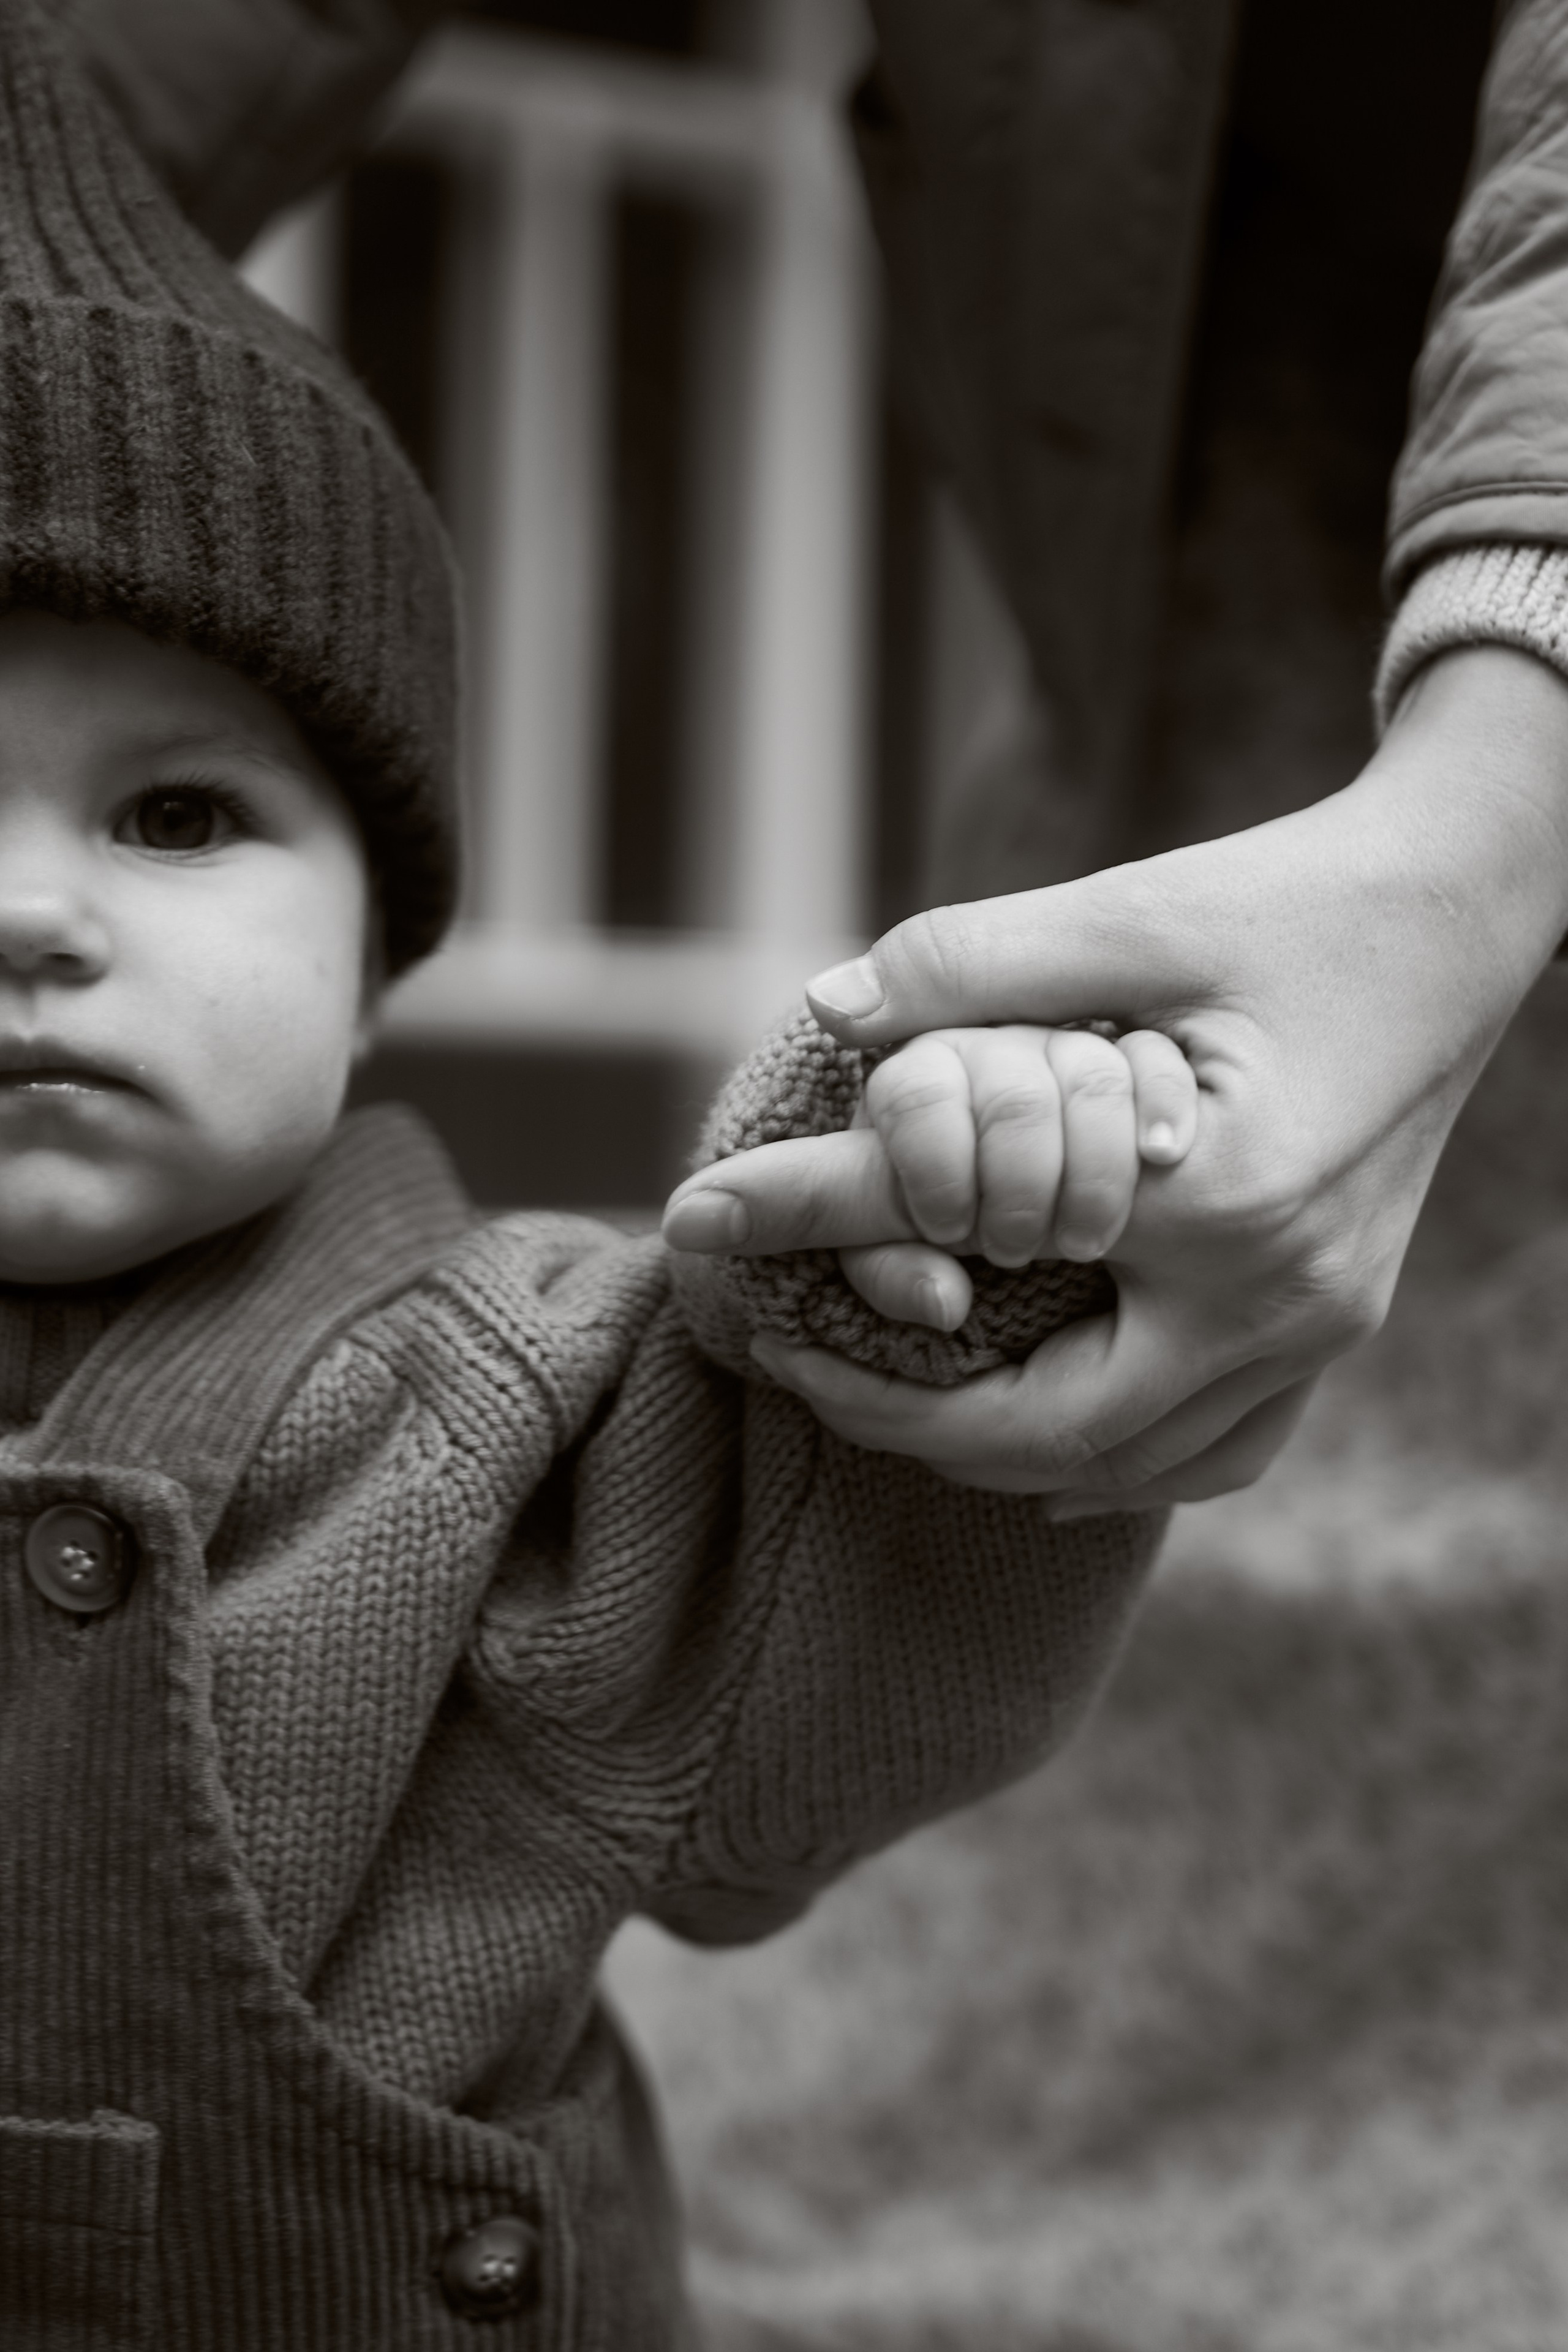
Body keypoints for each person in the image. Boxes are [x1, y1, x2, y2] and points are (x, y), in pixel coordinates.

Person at [0, 5, 1192, 2341]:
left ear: (372, 964)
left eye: (175, 815)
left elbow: (812, 1730)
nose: (29, 916)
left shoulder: (529, 1393)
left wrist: (947, 1265)